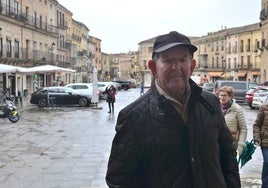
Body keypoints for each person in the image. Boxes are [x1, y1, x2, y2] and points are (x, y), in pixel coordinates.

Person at [106, 31, 240, 187]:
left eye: (183, 59)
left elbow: (227, 155)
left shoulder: (210, 103)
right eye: (168, 60)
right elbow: (119, 180)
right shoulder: (132, 117)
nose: (176, 67)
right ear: (154, 68)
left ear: (192, 66)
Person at [219, 86, 247, 157]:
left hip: (231, 145)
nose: (222, 97)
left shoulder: (237, 109)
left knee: (230, 167)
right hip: (218, 144)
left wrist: (240, 145)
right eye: (221, 95)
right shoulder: (216, 108)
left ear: (230, 96)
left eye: (225, 95)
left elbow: (243, 128)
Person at [253, 104, 268, 187]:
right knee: (267, 162)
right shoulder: (264, 107)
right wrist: (257, 138)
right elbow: (257, 124)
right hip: (265, 141)